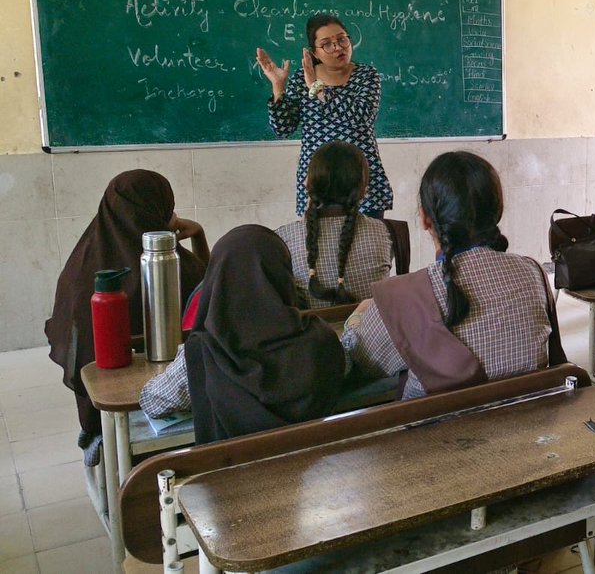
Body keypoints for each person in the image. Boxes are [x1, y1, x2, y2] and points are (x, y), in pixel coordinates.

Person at [340, 151, 565, 398]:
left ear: (425, 218)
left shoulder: (403, 298)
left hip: (434, 432)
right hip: (531, 426)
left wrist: (356, 319)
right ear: (496, 211)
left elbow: (354, 362)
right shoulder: (533, 272)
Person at [46, 170, 207, 462]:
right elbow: (210, 296)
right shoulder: (178, 266)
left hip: (100, 401)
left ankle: (96, 433)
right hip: (168, 397)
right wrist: (198, 235)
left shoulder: (80, 266)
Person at [141, 226, 345, 443]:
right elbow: (346, 363)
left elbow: (151, 402)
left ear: (215, 279)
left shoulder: (202, 354)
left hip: (231, 473)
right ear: (282, 275)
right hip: (313, 470)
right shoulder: (321, 342)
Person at [256, 13, 393, 219]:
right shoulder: (301, 80)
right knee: (319, 248)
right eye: (327, 44)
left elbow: (361, 118)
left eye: (342, 39)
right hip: (319, 182)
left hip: (362, 182)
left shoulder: (367, 75)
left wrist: (318, 88)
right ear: (315, 53)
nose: (338, 47)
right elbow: (283, 129)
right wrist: (278, 87)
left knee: (366, 246)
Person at [275, 141, 392, 308]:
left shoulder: (283, 239)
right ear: (363, 190)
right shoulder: (380, 230)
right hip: (370, 331)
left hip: (317, 333)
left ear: (307, 184)